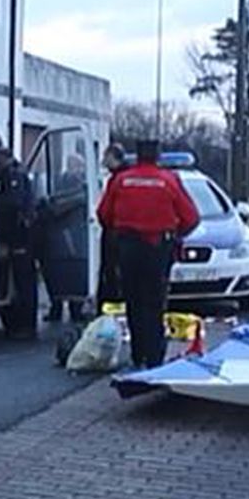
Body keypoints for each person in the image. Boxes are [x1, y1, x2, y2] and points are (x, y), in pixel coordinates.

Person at [97, 139, 200, 370]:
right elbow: (191, 217)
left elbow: (103, 214)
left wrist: (119, 231)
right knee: (155, 303)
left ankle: (138, 355)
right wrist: (175, 234)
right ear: (158, 157)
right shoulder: (169, 180)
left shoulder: (122, 180)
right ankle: (155, 357)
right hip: (157, 247)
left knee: (133, 301)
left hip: (128, 247)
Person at [0, 148, 38, 340]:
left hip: (19, 237)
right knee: (14, 281)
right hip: (14, 237)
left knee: (23, 281)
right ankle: (15, 323)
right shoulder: (10, 174)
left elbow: (13, 204)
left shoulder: (15, 176)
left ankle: (26, 325)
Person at [41, 153, 88, 323]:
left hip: (78, 233)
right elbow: (55, 204)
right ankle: (57, 306)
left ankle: (76, 309)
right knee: (58, 272)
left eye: (78, 166)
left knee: (76, 272)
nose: (76, 169)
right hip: (61, 231)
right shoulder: (62, 182)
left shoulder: (84, 183)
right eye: (73, 165)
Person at [95, 143, 127, 310]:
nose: (103, 161)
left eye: (106, 157)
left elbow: (105, 211)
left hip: (114, 235)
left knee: (112, 276)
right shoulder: (123, 176)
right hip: (130, 237)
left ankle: (110, 310)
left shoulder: (118, 180)